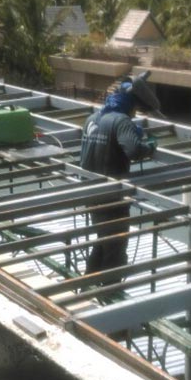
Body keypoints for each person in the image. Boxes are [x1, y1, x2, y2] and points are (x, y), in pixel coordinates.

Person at [79, 71, 160, 284]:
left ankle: (87, 286)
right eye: (135, 109)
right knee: (115, 247)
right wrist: (150, 146)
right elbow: (133, 150)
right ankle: (110, 291)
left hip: (90, 193)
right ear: (131, 104)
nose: (134, 114)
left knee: (102, 239)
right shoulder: (122, 121)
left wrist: (130, 133)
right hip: (111, 197)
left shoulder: (92, 118)